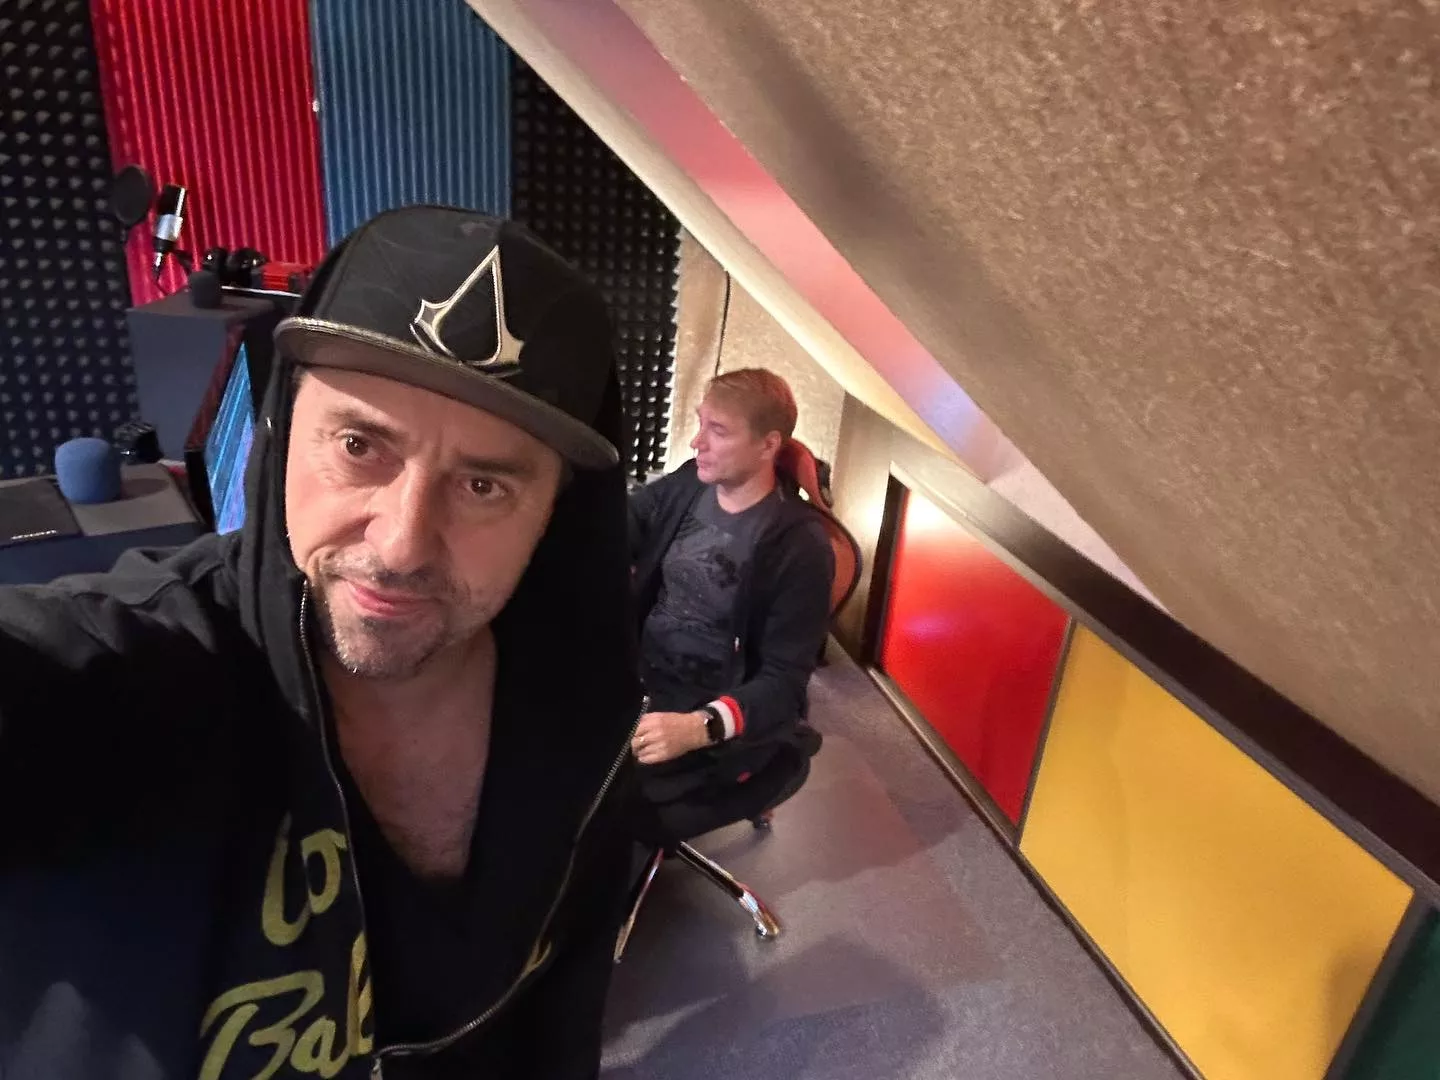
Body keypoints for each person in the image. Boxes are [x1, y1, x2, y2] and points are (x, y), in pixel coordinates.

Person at [0, 206, 644, 1080]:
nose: (402, 545)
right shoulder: (139, 668)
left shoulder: (579, 713)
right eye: (358, 444)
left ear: (554, 513)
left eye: (484, 485)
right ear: (280, 426)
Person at [627, 369, 834, 831]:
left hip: (711, 716)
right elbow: (624, 523)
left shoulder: (799, 546)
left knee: (613, 811)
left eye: (717, 431)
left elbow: (784, 682)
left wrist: (699, 728)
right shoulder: (689, 484)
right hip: (641, 680)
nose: (696, 442)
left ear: (768, 445)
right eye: (700, 423)